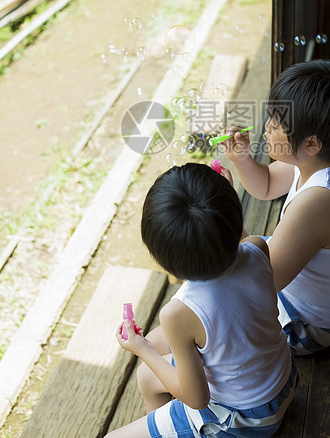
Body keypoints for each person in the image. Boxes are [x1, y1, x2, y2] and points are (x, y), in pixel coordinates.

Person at [105, 162, 297, 438]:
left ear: (169, 265)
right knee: (147, 377)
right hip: (282, 382)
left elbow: (197, 399)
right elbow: (236, 243)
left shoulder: (179, 314)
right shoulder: (257, 247)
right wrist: (223, 201)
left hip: (242, 419)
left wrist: (142, 347)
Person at [221, 59, 330, 356]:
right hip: (311, 292)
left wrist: (226, 211)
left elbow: (261, 281)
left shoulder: (319, 201)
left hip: (308, 324)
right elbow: (266, 184)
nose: (266, 127)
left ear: (312, 143)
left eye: (276, 123)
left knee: (212, 300)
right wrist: (242, 159)